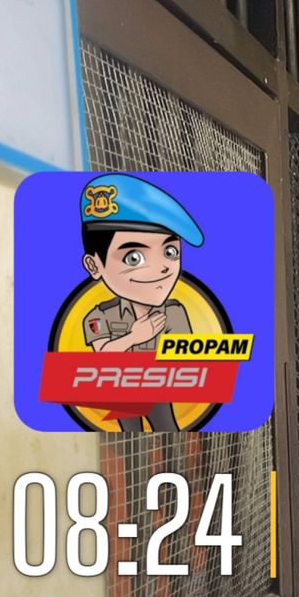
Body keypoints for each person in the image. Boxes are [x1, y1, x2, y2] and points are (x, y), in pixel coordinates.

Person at [76, 173, 205, 433]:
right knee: (130, 441)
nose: (162, 269)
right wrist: (135, 337)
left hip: (159, 391)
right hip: (121, 391)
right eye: (133, 258)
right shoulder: (99, 316)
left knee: (170, 433)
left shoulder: (174, 311)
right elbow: (101, 359)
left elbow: (187, 360)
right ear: (94, 265)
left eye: (170, 252)